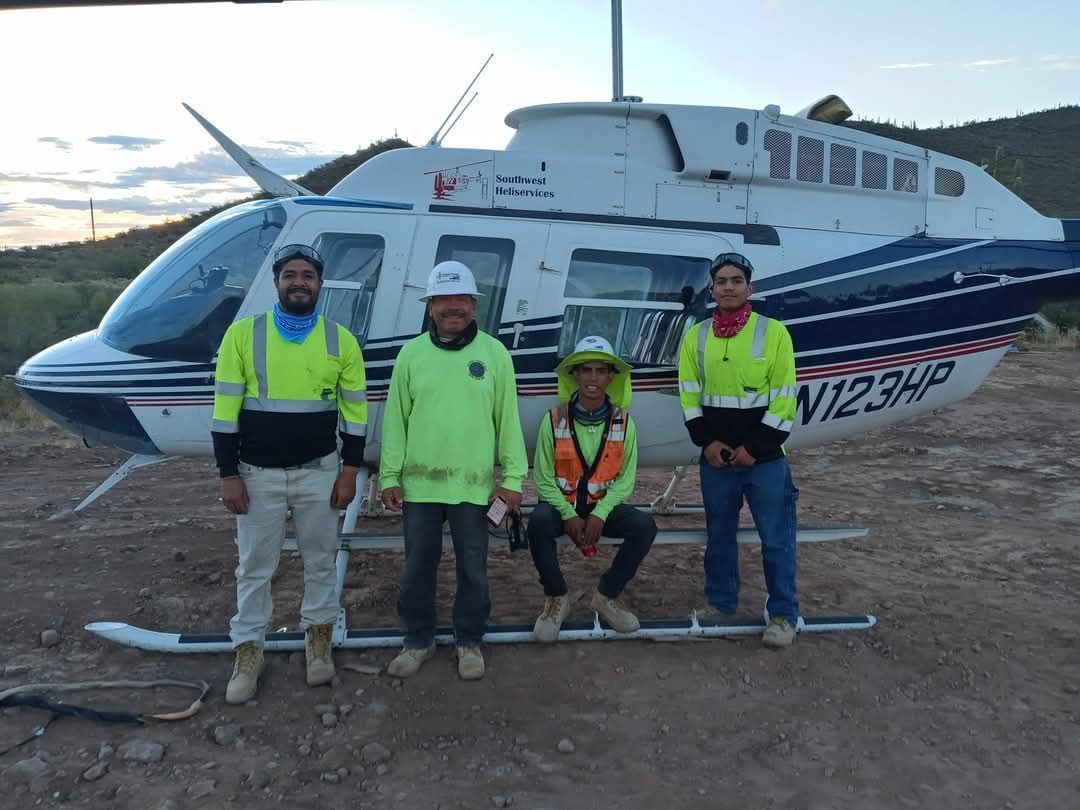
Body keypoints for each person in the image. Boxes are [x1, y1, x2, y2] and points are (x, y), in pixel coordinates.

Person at [211, 243, 367, 703]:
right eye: (290, 275)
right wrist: (228, 474)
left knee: (321, 561)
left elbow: (355, 418)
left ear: (320, 284)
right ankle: (249, 649)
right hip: (256, 475)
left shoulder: (342, 341)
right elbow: (225, 413)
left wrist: (349, 472)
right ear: (277, 283)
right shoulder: (242, 336)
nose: (299, 282)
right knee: (255, 568)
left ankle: (318, 641)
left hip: (319, 473)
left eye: (308, 275)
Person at [379, 260, 527, 681]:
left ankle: (469, 642)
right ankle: (418, 641)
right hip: (420, 487)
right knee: (417, 569)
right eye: (444, 299)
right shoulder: (411, 355)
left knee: (473, 569)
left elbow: (509, 423)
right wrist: (390, 476)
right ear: (431, 307)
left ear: (474, 307)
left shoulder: (495, 354)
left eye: (461, 298)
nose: (453, 307)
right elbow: (396, 421)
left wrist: (512, 481)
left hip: (474, 487)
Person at [676, 252, 800, 648]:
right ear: (711, 290)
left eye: (736, 280)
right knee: (720, 537)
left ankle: (783, 614)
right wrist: (707, 443)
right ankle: (721, 604)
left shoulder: (774, 332)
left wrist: (754, 448)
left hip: (763, 462)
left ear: (750, 287)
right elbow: (689, 395)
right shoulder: (695, 336)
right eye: (721, 281)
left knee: (777, 539)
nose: (728, 287)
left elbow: (784, 399)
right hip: (716, 460)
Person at [527, 336, 657, 641]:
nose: (593, 378)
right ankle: (557, 598)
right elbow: (543, 478)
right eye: (586, 370)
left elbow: (625, 480)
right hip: (563, 507)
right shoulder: (554, 419)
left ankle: (607, 596)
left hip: (603, 508)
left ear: (611, 377)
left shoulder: (625, 423)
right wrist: (569, 514)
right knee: (538, 523)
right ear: (575, 375)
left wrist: (599, 514)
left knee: (645, 527)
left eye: (601, 371)